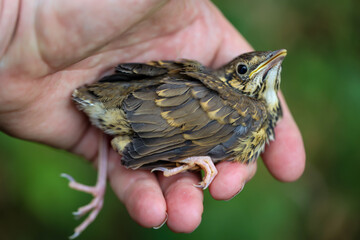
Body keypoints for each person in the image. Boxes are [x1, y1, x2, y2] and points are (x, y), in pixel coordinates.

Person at [0, 0, 305, 233]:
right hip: (131, 113)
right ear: (228, 76)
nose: (266, 64)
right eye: (243, 70)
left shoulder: (247, 107)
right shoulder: (248, 110)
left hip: (126, 110)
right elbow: (152, 139)